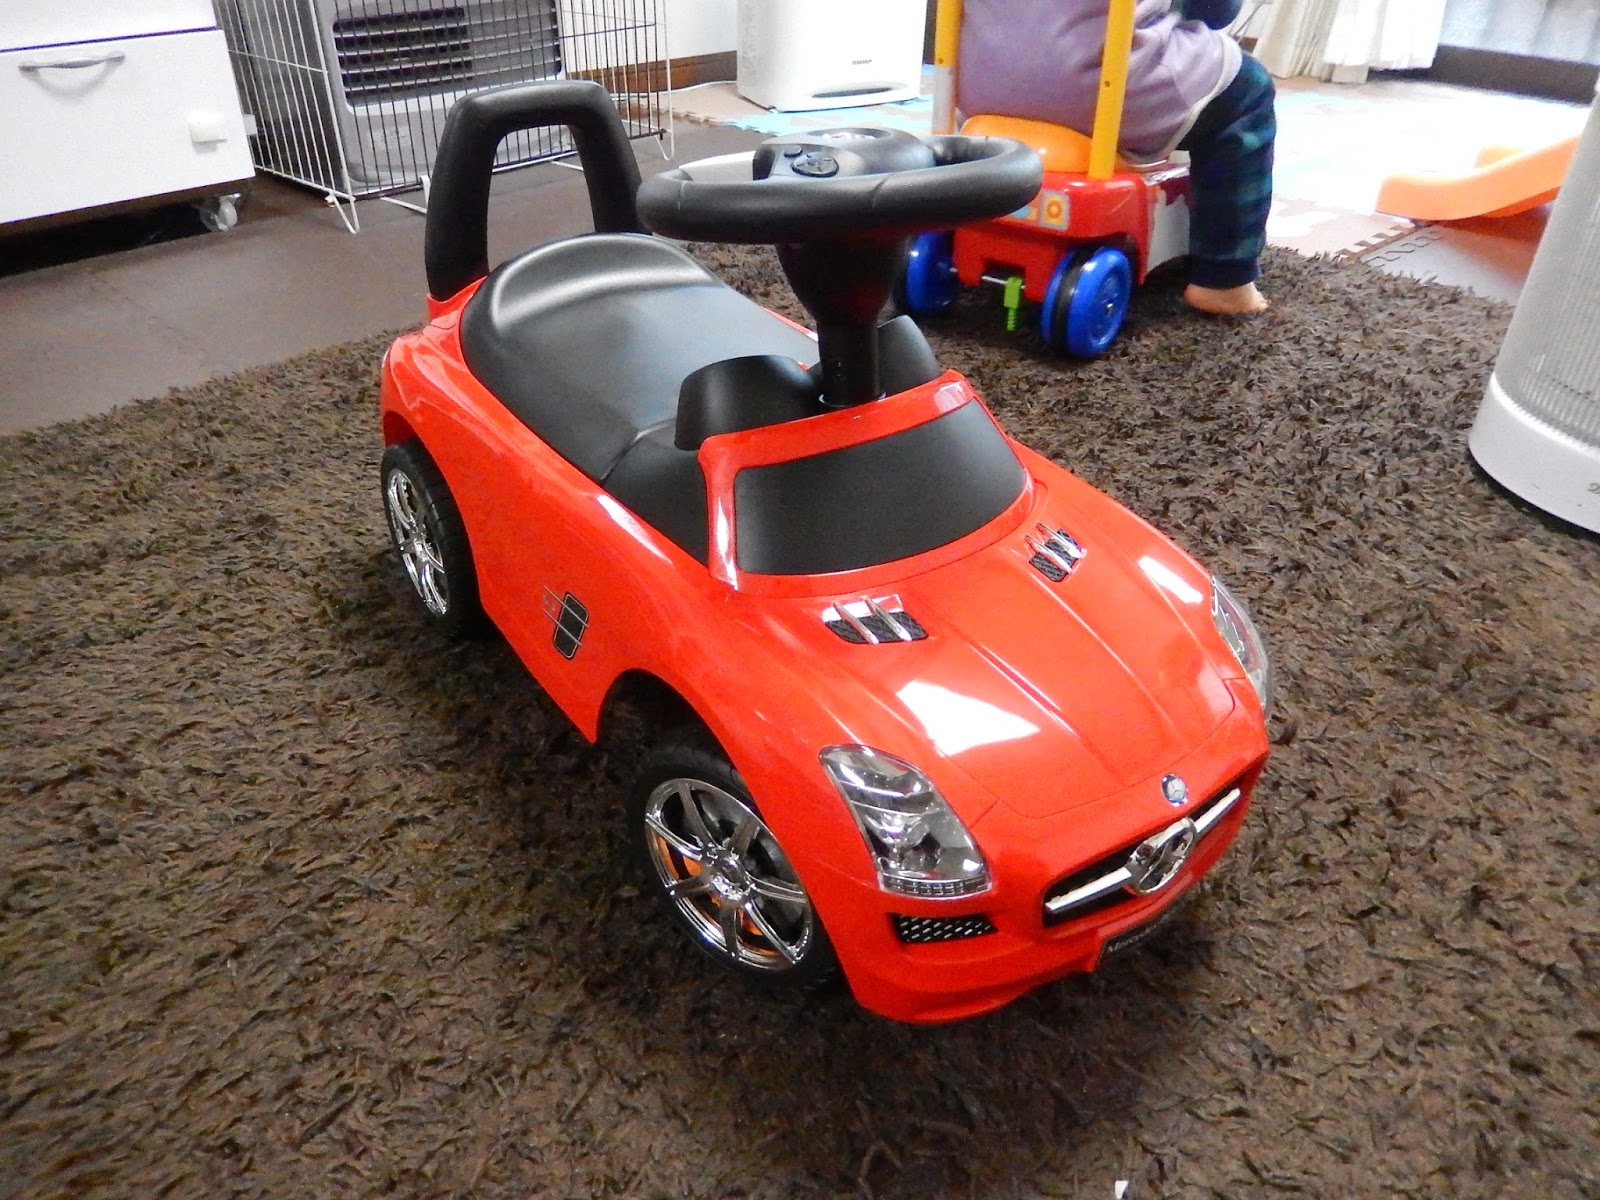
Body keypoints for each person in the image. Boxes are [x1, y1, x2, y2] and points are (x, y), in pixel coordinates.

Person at [956, 0, 1276, 314]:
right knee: (1248, 91)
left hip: (980, 85)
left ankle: (948, 208)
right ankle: (1224, 276)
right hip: (1104, 90)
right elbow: (1217, 10)